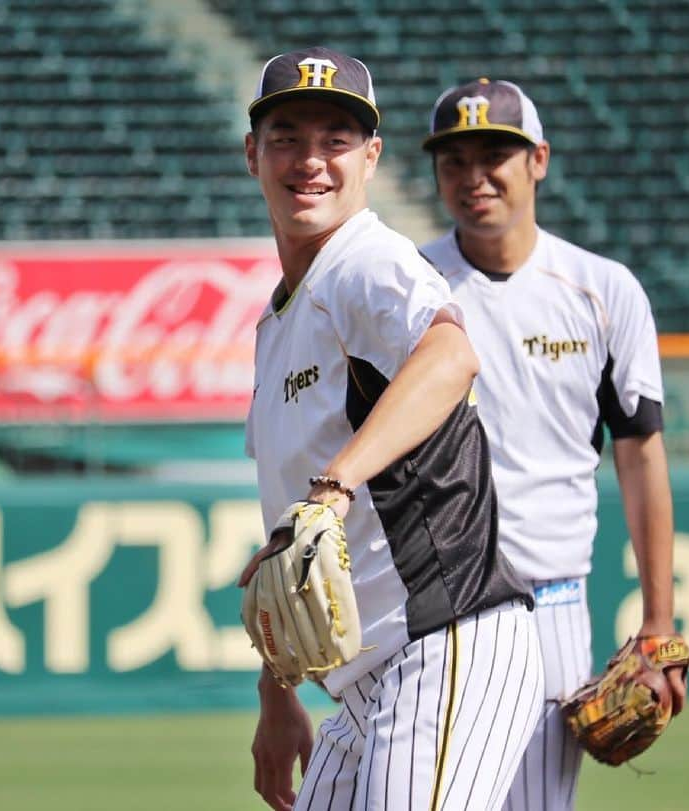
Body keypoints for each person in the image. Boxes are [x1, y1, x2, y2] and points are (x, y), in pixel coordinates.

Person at [236, 47, 544, 811]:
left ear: (370, 157)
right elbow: (291, 539)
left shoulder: (364, 263)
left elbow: (449, 352)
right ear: (252, 154)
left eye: (335, 139)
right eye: (287, 137)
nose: (311, 160)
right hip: (364, 682)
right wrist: (278, 695)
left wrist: (336, 484)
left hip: (446, 644)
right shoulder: (277, 325)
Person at [418, 78, 689, 810]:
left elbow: (639, 453)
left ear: (539, 159)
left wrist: (658, 625)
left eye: (495, 155)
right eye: (454, 159)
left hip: (552, 606)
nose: (474, 176)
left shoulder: (603, 290)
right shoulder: (410, 286)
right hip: (434, 609)